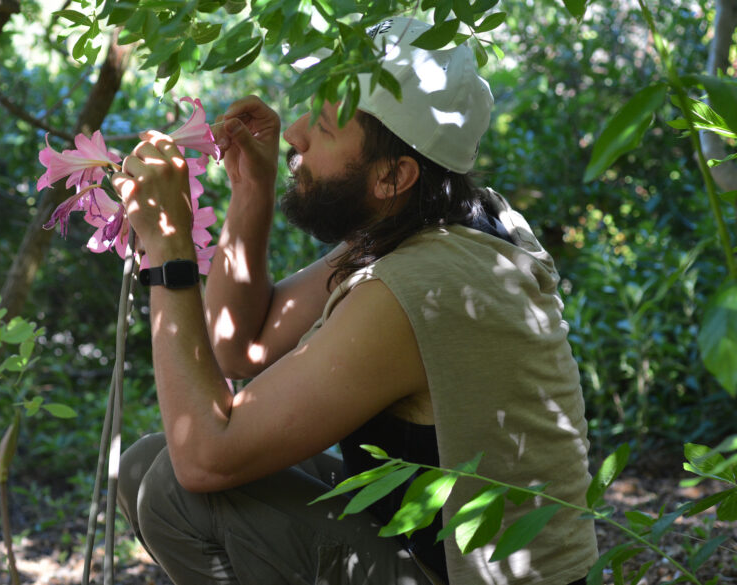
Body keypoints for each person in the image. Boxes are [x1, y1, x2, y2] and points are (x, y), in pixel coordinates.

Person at [110, 16, 598, 585]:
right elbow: (239, 347)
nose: (293, 133)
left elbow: (204, 456)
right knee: (146, 463)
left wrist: (168, 248)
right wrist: (252, 186)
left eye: (322, 126)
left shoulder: (418, 288)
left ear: (394, 174)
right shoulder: (439, 222)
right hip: (434, 553)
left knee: (175, 485)